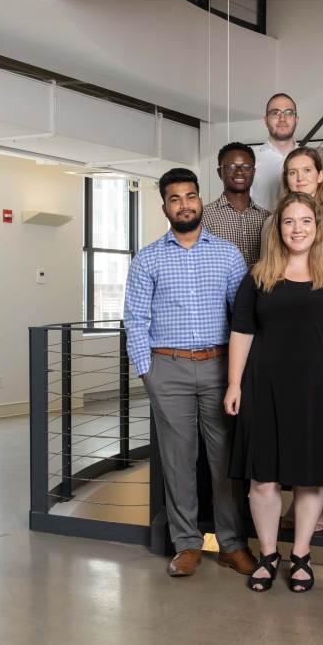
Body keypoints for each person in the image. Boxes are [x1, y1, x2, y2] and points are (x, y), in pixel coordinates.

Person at [123, 167, 257, 579]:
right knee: (179, 461)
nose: (184, 204)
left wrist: (240, 374)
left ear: (201, 200)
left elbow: (243, 317)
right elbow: (134, 318)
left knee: (224, 461)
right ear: (164, 206)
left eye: (190, 196)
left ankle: (232, 544)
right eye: (175, 198)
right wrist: (149, 373)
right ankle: (187, 543)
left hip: (219, 368)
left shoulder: (228, 254)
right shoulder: (148, 258)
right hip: (169, 369)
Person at [226, 191, 323, 593]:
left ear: (317, 228)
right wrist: (234, 384)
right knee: (262, 480)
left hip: (320, 389)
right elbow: (241, 331)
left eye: (305, 221)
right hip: (263, 386)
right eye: (289, 221)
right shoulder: (258, 276)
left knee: (310, 478)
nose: (297, 229)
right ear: (278, 228)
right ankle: (268, 554)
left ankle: (301, 554)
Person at [264, 147, 323, 275]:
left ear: (320, 176)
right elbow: (266, 272)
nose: (300, 178)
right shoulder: (270, 222)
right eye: (293, 172)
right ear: (286, 179)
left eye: (307, 170)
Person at [203, 142, 270, 268]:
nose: (239, 172)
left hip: (261, 287)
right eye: (231, 167)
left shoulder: (268, 218)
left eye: (246, 167)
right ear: (219, 172)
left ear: (254, 172)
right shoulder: (204, 217)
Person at [251, 93, 298, 212]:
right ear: (266, 120)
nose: (282, 118)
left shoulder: (310, 159)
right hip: (259, 229)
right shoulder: (250, 157)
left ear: (296, 119)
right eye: (275, 113)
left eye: (288, 113)